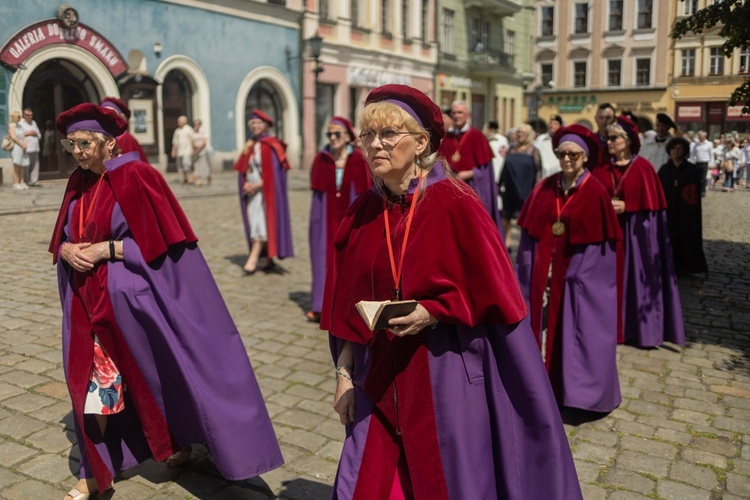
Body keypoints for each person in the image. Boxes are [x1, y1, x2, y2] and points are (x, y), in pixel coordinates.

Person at [321, 84, 581, 499]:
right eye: (368, 136)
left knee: (446, 480)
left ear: (421, 141)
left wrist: (434, 311)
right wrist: (344, 375)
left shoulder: (455, 202)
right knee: (368, 482)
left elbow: (496, 291)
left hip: (445, 370)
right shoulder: (362, 211)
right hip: (378, 373)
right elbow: (345, 309)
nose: (375, 145)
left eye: (388, 134)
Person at [49, 103, 283, 500]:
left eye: (85, 143)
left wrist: (108, 249)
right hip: (87, 308)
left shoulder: (138, 177)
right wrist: (68, 250)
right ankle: (96, 471)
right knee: (92, 385)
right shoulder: (77, 183)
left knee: (164, 380)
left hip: (136, 309)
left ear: (109, 143)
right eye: (71, 143)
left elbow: (167, 249)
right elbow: (65, 237)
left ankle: (182, 440)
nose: (77, 151)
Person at [516, 124, 622, 413]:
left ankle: (571, 392)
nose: (566, 160)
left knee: (573, 327)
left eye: (573, 155)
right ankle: (536, 384)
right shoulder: (545, 187)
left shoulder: (596, 192)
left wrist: (579, 275)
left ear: (585, 158)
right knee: (537, 325)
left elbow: (600, 251)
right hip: (544, 274)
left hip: (576, 276)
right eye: (562, 154)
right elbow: (529, 237)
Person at [590, 115, 685, 348]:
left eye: (614, 138)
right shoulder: (601, 168)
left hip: (634, 238)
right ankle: (607, 328)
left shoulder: (644, 169)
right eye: (608, 138)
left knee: (635, 281)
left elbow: (652, 214)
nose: (609, 142)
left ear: (628, 140)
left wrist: (629, 206)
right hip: (606, 237)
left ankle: (636, 330)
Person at [308, 116, 371, 323]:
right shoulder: (321, 158)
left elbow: (365, 192)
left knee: (351, 256)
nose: (332, 138)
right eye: (329, 134)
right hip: (325, 217)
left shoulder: (359, 159)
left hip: (349, 214)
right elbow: (317, 197)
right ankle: (320, 304)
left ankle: (348, 304)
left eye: (337, 134)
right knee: (321, 257)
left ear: (347, 137)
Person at [234, 109, 294, 273]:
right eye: (253, 123)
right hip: (252, 193)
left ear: (266, 125)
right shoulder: (250, 144)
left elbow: (274, 174)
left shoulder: (271, 145)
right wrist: (245, 184)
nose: (255, 126)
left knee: (260, 224)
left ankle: (253, 257)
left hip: (266, 193)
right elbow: (244, 168)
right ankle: (268, 258)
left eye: (258, 123)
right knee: (256, 222)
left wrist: (258, 185)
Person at [438, 100, 502, 231]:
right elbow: (438, 163)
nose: (456, 115)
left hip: (473, 188)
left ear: (468, 115)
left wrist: (470, 173)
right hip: (451, 189)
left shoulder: (478, 137)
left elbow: (485, 170)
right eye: (454, 113)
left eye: (460, 112)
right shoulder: (446, 138)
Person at [658, 137, 708, 274]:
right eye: (674, 148)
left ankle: (686, 266)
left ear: (685, 151)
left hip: (686, 212)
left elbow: (693, 193)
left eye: (679, 148)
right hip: (668, 211)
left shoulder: (691, 170)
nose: (676, 151)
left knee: (686, 238)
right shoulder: (664, 169)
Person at [499, 122, 541, 247]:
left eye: (523, 132)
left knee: (525, 219)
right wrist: (499, 184)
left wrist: (537, 190)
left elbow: (539, 171)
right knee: (505, 217)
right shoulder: (511, 150)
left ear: (528, 135)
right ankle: (506, 246)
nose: (520, 134)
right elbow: (504, 168)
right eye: (518, 132)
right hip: (510, 188)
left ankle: (525, 247)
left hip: (526, 189)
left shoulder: (533, 151)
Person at [100, 96, 148, 163]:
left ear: (120, 118)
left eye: (111, 114)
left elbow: (132, 168)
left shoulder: (126, 140)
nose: (106, 118)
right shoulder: (99, 137)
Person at [534, 114, 563, 179]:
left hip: (559, 172)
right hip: (545, 174)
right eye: (550, 123)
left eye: (555, 123)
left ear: (560, 126)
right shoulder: (541, 139)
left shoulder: (563, 139)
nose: (552, 125)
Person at [19, 108, 42, 187]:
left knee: (35, 165)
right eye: (28, 115)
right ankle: (25, 181)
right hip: (27, 148)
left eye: (31, 115)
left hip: (35, 147)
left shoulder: (34, 123)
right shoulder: (21, 123)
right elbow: (18, 135)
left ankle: (34, 181)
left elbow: (39, 135)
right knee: (26, 165)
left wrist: (35, 133)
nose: (30, 117)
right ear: (24, 115)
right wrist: (27, 133)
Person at [8, 111, 29, 190]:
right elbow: (13, 137)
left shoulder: (20, 125)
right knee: (16, 166)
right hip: (17, 147)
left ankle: (22, 181)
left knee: (22, 166)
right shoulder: (11, 126)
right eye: (18, 117)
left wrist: (25, 143)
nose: (19, 118)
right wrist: (21, 144)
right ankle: (15, 183)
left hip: (22, 147)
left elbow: (24, 135)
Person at [689, 130, 714, 196]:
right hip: (697, 162)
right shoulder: (695, 144)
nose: (699, 137)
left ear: (704, 136)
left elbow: (711, 154)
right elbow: (692, 154)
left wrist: (711, 163)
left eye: (700, 136)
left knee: (703, 178)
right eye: (698, 135)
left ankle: (702, 191)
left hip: (705, 163)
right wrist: (691, 162)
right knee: (697, 177)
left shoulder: (709, 144)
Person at [171, 115, 194, 184]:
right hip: (179, 151)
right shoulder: (177, 131)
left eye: (180, 121)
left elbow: (193, 139)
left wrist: (193, 149)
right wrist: (173, 151)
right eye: (178, 121)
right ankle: (184, 178)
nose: (179, 122)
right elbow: (175, 142)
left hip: (187, 150)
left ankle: (190, 176)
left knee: (186, 164)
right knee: (180, 166)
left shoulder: (189, 129)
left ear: (185, 122)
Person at [191, 118, 211, 186]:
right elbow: (192, 141)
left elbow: (205, 141)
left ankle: (208, 177)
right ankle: (199, 179)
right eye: (195, 124)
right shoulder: (193, 131)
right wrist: (195, 147)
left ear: (200, 124)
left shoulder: (203, 131)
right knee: (196, 165)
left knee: (203, 165)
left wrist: (199, 148)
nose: (196, 125)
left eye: (197, 124)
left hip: (203, 151)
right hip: (196, 151)